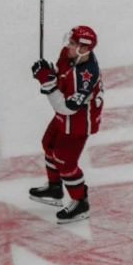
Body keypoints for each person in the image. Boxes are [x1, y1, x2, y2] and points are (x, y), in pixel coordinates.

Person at [28, 22, 104, 222]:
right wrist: (50, 74)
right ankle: (54, 189)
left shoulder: (86, 77)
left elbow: (67, 108)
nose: (67, 46)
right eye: (69, 41)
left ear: (85, 48)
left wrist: (47, 83)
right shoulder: (68, 54)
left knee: (65, 161)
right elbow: (61, 78)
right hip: (65, 114)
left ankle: (80, 203)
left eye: (73, 43)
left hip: (79, 121)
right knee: (48, 144)